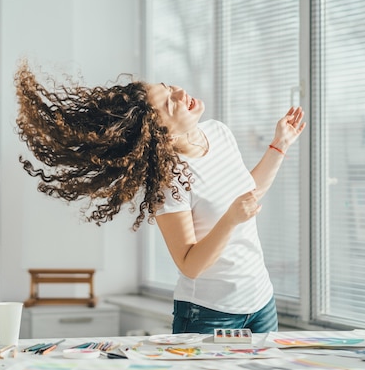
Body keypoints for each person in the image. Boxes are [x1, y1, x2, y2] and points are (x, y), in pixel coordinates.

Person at [15, 62, 306, 334]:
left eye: (170, 88)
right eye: (170, 102)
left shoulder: (219, 133)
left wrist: (279, 145)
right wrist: (230, 220)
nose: (180, 93)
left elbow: (247, 198)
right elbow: (189, 264)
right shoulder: (169, 180)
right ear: (161, 134)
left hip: (262, 302)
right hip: (209, 315)